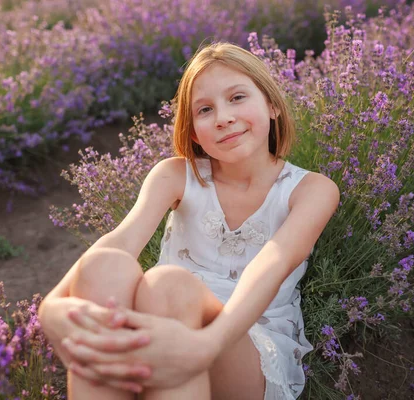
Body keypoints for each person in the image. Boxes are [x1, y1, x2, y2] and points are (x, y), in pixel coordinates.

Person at [38, 42, 340, 400]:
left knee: (169, 285)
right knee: (106, 265)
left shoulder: (311, 190)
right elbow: (120, 241)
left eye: (238, 97)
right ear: (194, 131)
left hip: (242, 344)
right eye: (205, 109)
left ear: (272, 105)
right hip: (162, 327)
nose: (223, 117)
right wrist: (50, 308)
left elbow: (272, 265)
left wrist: (205, 345)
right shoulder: (175, 175)